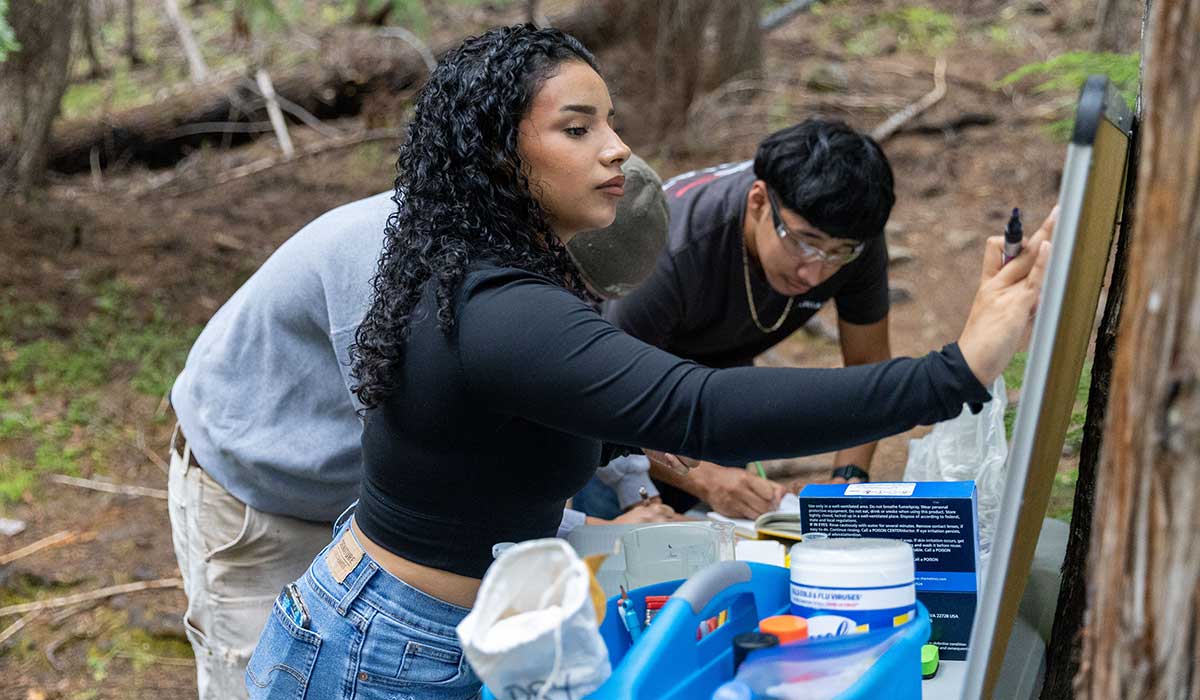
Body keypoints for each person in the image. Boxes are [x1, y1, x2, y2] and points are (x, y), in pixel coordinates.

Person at [245, 24, 1051, 700]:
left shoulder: (498, 271)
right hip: (382, 651)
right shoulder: (499, 309)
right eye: (578, 128)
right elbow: (694, 405)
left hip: (449, 625)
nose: (619, 151)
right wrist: (957, 371)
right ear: (497, 154)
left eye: (611, 123)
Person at [166, 157, 674, 698]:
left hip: (361, 503)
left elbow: (566, 390)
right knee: (260, 680)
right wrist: (574, 527)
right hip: (261, 492)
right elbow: (447, 473)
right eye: (572, 285)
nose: (574, 305)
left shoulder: (512, 273)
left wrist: (631, 491)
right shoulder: (394, 265)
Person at [575, 119, 898, 520]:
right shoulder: (672, 248)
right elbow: (606, 397)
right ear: (759, 201)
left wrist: (849, 475)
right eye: (804, 244)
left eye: (839, 253)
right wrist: (708, 480)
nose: (813, 274)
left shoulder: (849, 236)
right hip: (608, 397)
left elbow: (869, 367)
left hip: (717, 383)